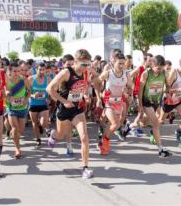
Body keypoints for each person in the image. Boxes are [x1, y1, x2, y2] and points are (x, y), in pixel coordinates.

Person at [46, 49, 94, 178]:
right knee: (61, 135)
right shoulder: (66, 72)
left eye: (88, 64)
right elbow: (49, 88)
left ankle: (85, 168)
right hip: (64, 109)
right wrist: (64, 101)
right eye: (84, 64)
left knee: (84, 137)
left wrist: (86, 95)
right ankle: (53, 135)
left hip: (77, 110)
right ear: (76, 61)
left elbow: (82, 87)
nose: (86, 67)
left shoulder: (85, 72)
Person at [96, 53, 132, 155]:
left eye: (123, 63)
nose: (121, 66)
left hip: (118, 102)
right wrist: (99, 96)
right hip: (108, 102)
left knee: (111, 124)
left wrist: (128, 92)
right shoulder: (108, 73)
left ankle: (101, 141)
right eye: (119, 63)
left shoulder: (126, 74)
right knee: (116, 123)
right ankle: (105, 141)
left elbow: (130, 88)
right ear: (113, 62)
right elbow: (96, 83)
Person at [137, 55, 172, 157]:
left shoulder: (165, 73)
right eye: (158, 68)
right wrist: (140, 104)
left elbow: (168, 85)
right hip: (146, 101)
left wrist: (168, 91)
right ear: (152, 65)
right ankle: (160, 149)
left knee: (144, 122)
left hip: (157, 101)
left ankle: (131, 126)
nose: (159, 70)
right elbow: (140, 90)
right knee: (156, 123)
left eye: (161, 68)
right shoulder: (146, 73)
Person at [159, 58, 181, 148]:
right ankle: (152, 133)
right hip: (169, 101)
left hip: (179, 100)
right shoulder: (174, 72)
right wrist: (178, 90)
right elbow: (166, 89)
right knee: (161, 121)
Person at [6, 62, 31, 159]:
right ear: (10, 72)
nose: (17, 73)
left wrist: (26, 99)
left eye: (18, 71)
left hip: (22, 108)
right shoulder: (7, 81)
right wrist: (8, 95)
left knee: (20, 130)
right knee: (15, 128)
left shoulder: (23, 79)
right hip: (11, 108)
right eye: (14, 71)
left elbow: (29, 91)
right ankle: (17, 148)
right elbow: (6, 91)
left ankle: (15, 136)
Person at [126, 53, 153, 137]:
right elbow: (129, 75)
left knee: (143, 113)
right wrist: (130, 86)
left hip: (147, 93)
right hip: (138, 93)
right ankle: (131, 127)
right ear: (145, 61)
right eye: (150, 60)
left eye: (152, 60)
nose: (151, 62)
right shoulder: (140, 68)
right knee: (141, 112)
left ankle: (136, 126)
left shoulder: (150, 70)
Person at [28, 63, 52, 148]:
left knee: (43, 122)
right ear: (36, 69)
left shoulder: (48, 79)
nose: (42, 71)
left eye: (43, 70)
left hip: (43, 104)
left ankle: (44, 128)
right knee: (35, 123)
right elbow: (27, 92)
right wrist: (33, 95)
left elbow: (50, 91)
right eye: (40, 69)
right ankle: (38, 139)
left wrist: (49, 98)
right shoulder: (31, 79)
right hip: (33, 104)